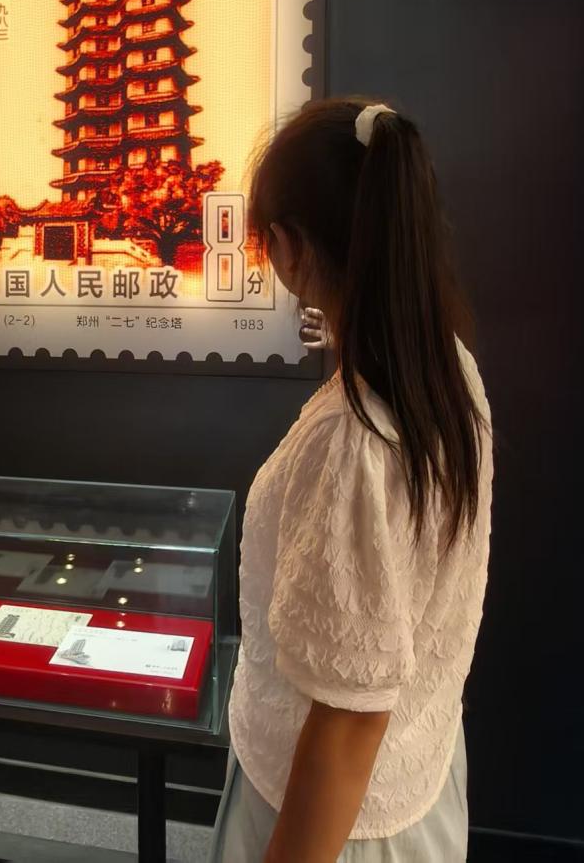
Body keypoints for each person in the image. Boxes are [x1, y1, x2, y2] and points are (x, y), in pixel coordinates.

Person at [209, 99, 493, 863]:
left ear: (289, 248)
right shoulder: (449, 371)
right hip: (416, 768)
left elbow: (346, 722)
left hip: (334, 819)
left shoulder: (354, 440)